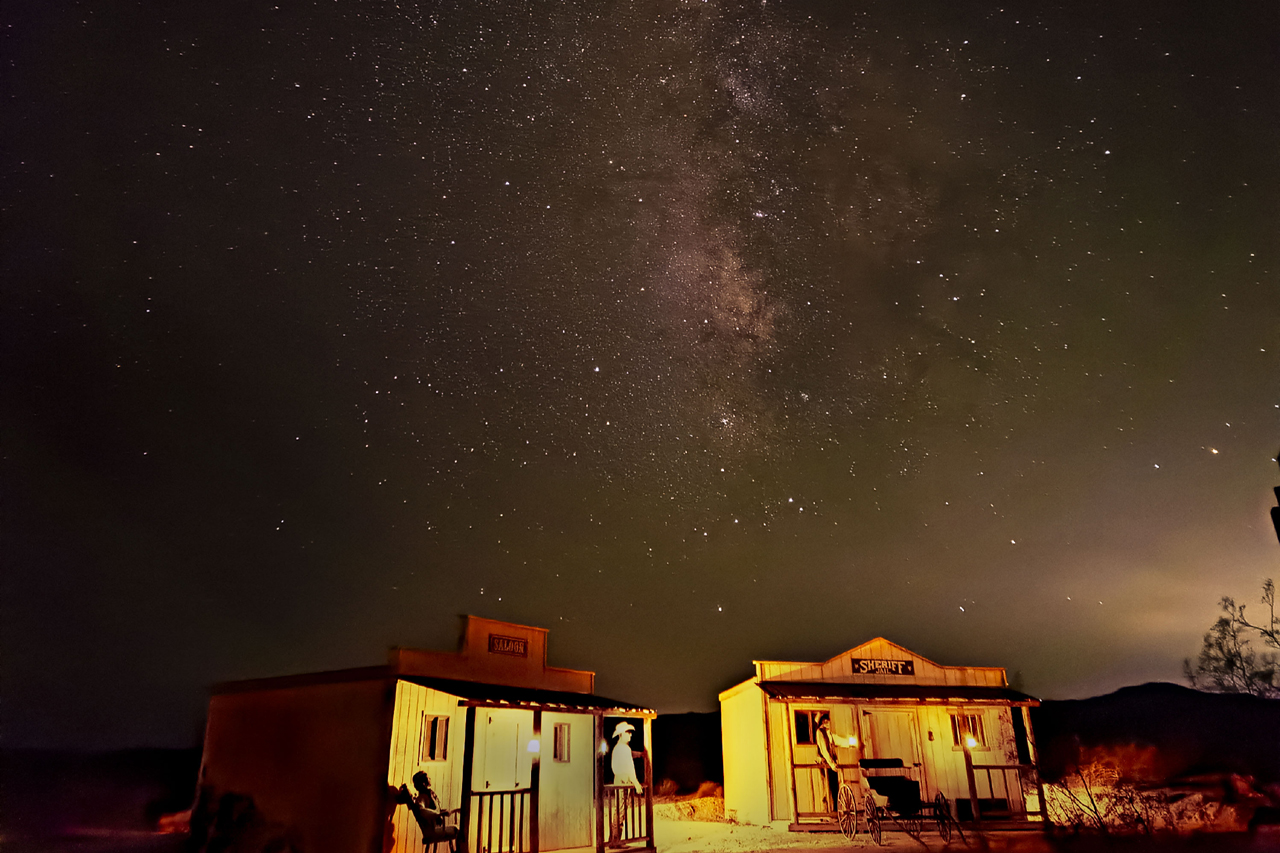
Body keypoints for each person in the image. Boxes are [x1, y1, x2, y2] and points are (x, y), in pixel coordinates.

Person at [396, 772, 458, 851]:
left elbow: (435, 810)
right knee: (458, 831)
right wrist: (438, 814)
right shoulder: (422, 797)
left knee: (457, 828)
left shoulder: (429, 795)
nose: (430, 779)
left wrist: (450, 811)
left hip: (435, 827)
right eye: (428, 778)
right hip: (431, 831)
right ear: (424, 783)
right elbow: (422, 811)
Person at [814, 713, 843, 814]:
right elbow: (823, 750)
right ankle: (827, 812)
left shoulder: (829, 732)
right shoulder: (819, 732)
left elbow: (834, 743)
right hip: (824, 762)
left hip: (832, 763)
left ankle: (836, 810)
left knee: (835, 786)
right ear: (823, 721)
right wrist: (831, 763)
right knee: (826, 787)